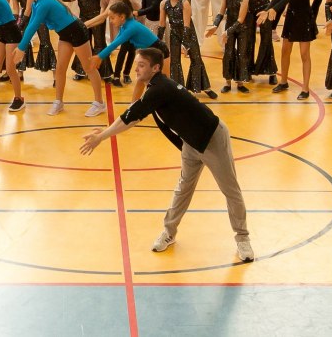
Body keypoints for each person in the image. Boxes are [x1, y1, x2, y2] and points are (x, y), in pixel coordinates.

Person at [79, 47, 254, 263]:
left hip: (211, 139)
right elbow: (131, 113)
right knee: (183, 189)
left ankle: (243, 239)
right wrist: (105, 131)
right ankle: (169, 232)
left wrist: (102, 137)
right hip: (190, 142)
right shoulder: (154, 87)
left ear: (155, 68)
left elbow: (131, 118)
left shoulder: (159, 89)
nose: (136, 69)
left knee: (230, 190)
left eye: (141, 65)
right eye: (137, 64)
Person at [259, 0, 316, 100]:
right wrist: (266, 10)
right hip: (291, 17)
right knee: (285, 51)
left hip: (304, 19)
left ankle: (305, 88)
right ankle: (284, 81)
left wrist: (274, 9)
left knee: (304, 54)